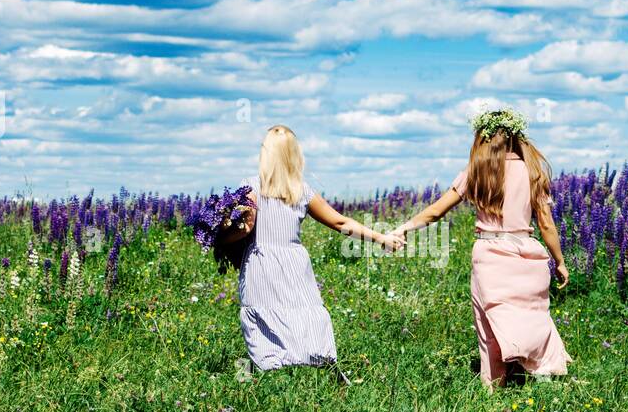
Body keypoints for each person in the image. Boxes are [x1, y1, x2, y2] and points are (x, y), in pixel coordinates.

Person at [392, 109, 571, 387]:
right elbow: (546, 224)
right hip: (528, 255)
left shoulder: (476, 172)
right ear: (515, 136)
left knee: (490, 327)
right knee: (534, 317)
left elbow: (436, 211)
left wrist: (403, 228)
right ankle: (542, 372)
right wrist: (559, 260)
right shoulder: (533, 172)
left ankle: (494, 386)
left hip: (490, 257)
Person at [219, 124, 403, 372]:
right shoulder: (301, 190)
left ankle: (265, 371)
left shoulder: (250, 186)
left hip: (261, 260)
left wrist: (220, 238)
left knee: (261, 318)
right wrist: (381, 238)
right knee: (306, 312)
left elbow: (245, 227)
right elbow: (340, 221)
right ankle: (318, 363)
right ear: (294, 155)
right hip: (294, 263)